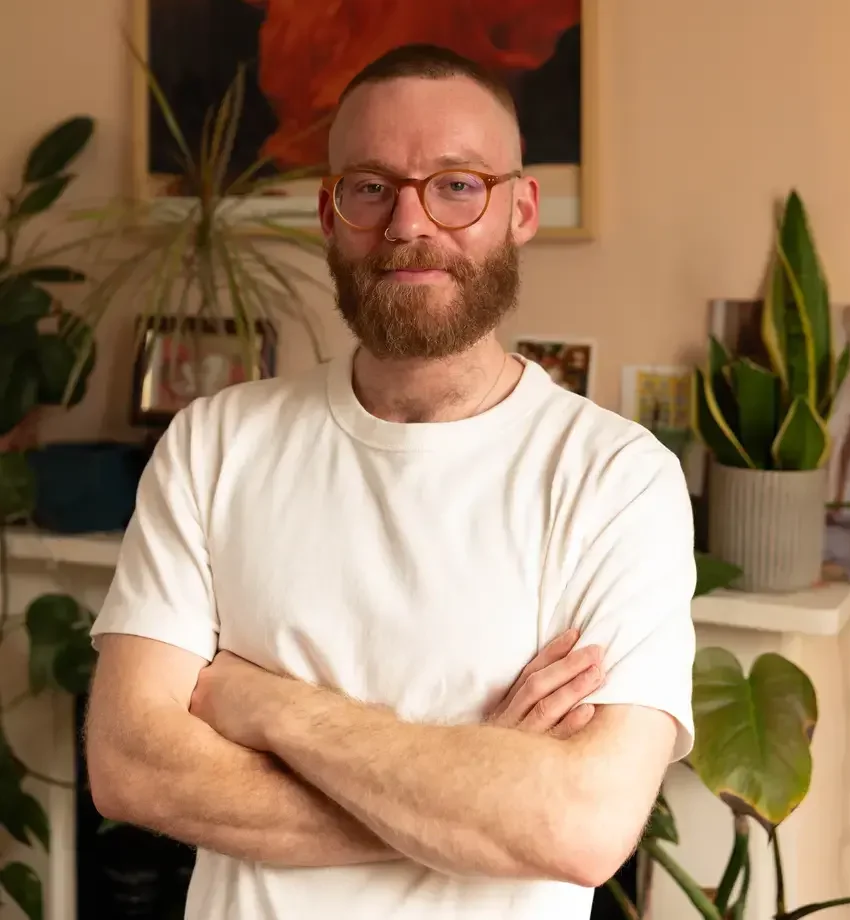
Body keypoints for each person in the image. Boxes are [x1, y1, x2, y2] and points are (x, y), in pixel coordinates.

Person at [85, 43, 697, 920]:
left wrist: (265, 705)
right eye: (372, 187)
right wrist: (480, 783)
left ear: (521, 207)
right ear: (331, 213)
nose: (410, 224)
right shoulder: (216, 441)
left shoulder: (617, 480)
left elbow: (580, 828)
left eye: (457, 184)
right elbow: (131, 766)